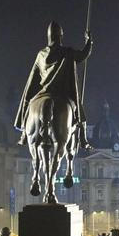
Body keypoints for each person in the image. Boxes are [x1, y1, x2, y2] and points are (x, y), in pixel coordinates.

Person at [14, 21, 92, 149]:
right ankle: (83, 139)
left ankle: (24, 133)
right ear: (60, 36)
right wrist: (89, 41)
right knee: (79, 108)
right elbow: (83, 55)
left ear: (49, 36)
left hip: (44, 91)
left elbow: (33, 78)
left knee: (29, 104)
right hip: (62, 92)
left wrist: (29, 95)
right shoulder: (67, 52)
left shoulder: (41, 54)